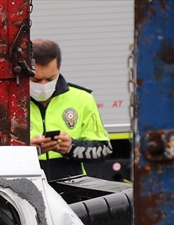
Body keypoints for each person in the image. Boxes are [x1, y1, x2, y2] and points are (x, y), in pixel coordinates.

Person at [28, 40, 112, 182]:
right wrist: (27, 151)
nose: (43, 85)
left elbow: (104, 150)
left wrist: (71, 147)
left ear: (59, 67)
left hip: (72, 188)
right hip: (27, 188)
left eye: (49, 78)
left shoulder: (82, 98)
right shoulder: (9, 103)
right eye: (35, 80)